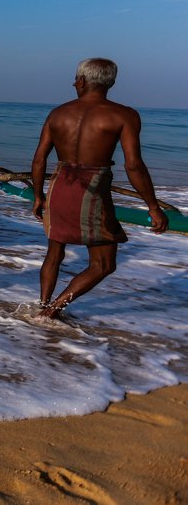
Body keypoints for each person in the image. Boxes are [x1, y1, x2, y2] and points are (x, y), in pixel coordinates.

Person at [31, 58, 168, 319]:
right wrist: (153, 206)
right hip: (91, 190)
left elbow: (39, 160)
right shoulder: (124, 115)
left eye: (75, 80)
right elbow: (133, 165)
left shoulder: (58, 113)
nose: (74, 84)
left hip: (60, 185)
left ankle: (42, 304)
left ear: (82, 81)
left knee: (54, 253)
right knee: (103, 264)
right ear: (110, 83)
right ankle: (50, 312)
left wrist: (39, 196)